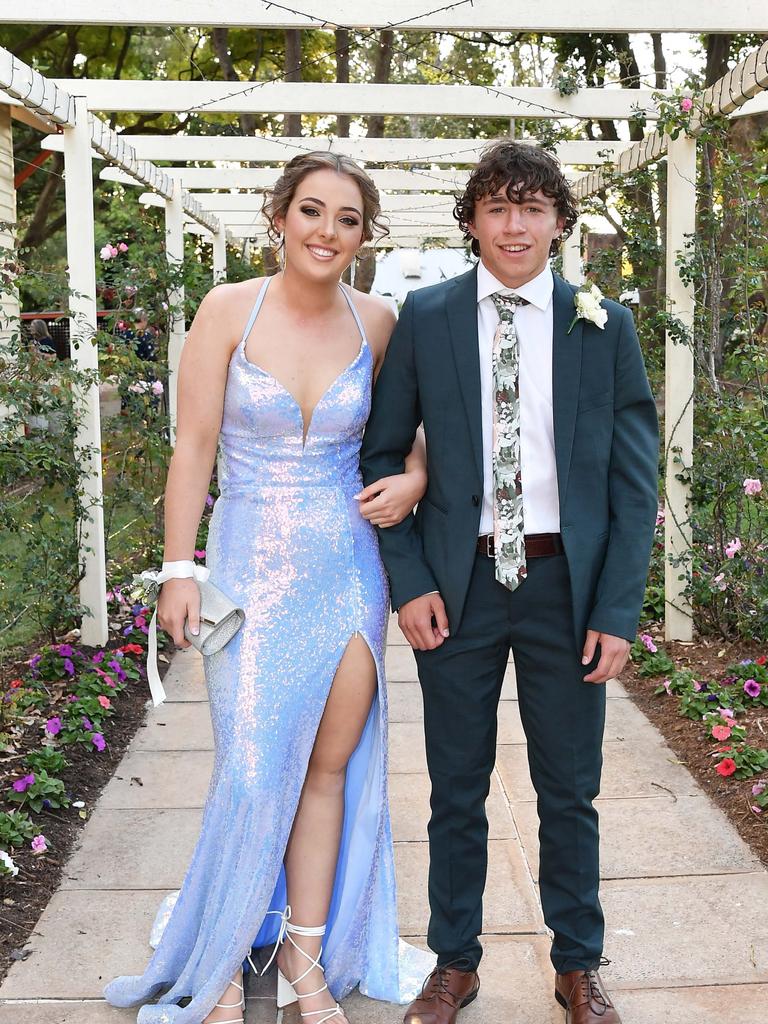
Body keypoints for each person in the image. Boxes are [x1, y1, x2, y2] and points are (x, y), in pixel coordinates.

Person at [104, 152, 434, 1024]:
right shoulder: (225, 311)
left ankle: (306, 958)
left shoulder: (382, 322)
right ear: (280, 216)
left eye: (349, 219)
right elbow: (192, 451)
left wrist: (413, 480)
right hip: (249, 566)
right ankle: (215, 962)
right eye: (313, 211)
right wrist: (181, 569)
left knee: (329, 767)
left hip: (350, 569)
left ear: (365, 237)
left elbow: (419, 440)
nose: (328, 232)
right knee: (251, 773)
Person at [360, 140, 659, 1024]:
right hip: (461, 586)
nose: (515, 224)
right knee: (456, 785)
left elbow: (633, 485)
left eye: (533, 207)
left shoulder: (604, 324)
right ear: (473, 223)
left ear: (560, 222)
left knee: (569, 787)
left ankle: (578, 965)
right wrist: (408, 581)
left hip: (568, 587)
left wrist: (618, 608)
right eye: (497, 207)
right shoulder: (428, 315)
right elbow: (382, 454)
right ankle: (455, 962)